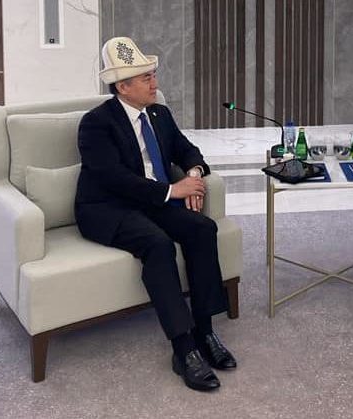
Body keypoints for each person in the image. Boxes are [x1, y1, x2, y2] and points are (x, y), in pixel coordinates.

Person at [75, 37, 236, 391]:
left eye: (153, 75)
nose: (155, 83)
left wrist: (193, 175)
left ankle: (205, 331)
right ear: (123, 87)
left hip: (154, 201)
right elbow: (113, 179)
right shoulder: (96, 123)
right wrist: (173, 191)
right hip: (108, 207)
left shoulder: (159, 113)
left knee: (202, 229)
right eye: (146, 77)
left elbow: (187, 149)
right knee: (158, 245)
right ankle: (184, 349)